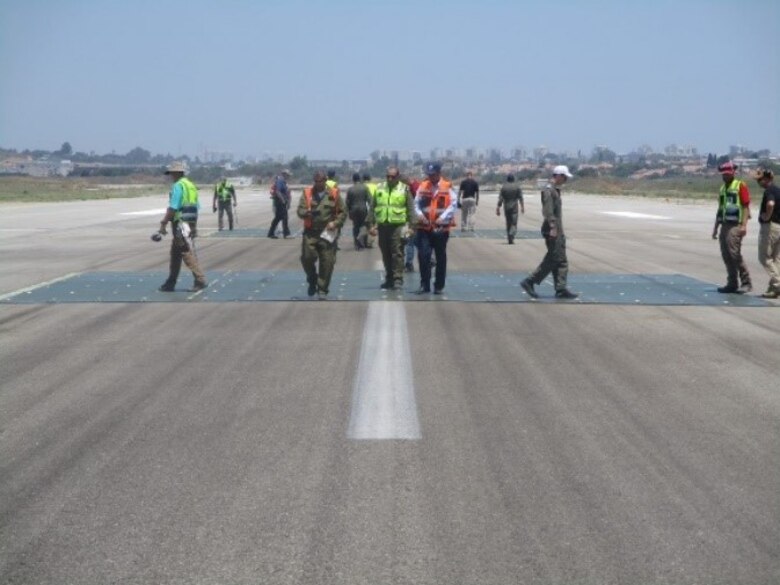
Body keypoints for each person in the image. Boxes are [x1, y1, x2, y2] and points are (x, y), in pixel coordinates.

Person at [520, 165, 578, 299]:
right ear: (557, 176)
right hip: (552, 229)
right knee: (553, 258)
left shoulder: (555, 190)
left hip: (558, 228)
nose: (565, 180)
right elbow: (547, 211)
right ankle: (530, 281)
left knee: (562, 260)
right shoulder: (548, 191)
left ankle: (561, 288)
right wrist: (552, 227)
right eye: (564, 177)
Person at [156, 161, 207, 292]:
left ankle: (200, 280)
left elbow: (173, 207)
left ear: (176, 173)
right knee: (175, 253)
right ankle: (170, 282)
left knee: (185, 251)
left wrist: (163, 223)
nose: (171, 175)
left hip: (179, 223)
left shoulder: (178, 186)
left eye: (172, 173)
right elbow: (196, 207)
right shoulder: (190, 185)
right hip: (189, 222)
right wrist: (194, 227)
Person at [296, 171, 346, 299]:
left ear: (325, 180)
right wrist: (306, 213)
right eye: (316, 181)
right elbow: (300, 210)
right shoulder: (307, 193)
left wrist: (335, 223)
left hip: (327, 232)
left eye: (320, 181)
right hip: (311, 232)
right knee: (307, 258)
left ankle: (322, 289)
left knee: (327, 261)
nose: (318, 184)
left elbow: (342, 212)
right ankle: (312, 279)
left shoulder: (334, 193)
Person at [368, 166, 416, 290]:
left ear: (397, 177)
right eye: (387, 176)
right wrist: (370, 225)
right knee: (386, 253)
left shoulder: (404, 189)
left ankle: (398, 278)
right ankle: (389, 278)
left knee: (397, 252)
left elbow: (411, 209)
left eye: (392, 177)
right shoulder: (380, 188)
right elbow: (372, 208)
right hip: (383, 226)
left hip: (398, 226)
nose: (389, 179)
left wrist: (412, 227)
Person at [414, 162, 458, 294]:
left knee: (440, 257)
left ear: (439, 173)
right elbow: (416, 203)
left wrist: (443, 217)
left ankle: (439, 285)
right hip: (424, 227)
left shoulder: (447, 187)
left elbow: (453, 205)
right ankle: (424, 284)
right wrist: (420, 215)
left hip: (440, 229)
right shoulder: (423, 186)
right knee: (423, 255)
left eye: (433, 175)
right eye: (429, 175)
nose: (431, 177)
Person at [711, 161, 752, 293]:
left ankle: (746, 282)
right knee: (726, 254)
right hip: (725, 224)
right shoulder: (723, 188)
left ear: (733, 173)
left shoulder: (740, 185)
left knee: (734, 254)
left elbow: (746, 206)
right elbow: (720, 209)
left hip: (735, 225)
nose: (725, 176)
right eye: (723, 174)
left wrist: (744, 225)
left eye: (727, 174)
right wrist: (716, 228)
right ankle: (732, 283)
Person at [754, 168, 780, 298]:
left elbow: (770, 204)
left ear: (767, 179)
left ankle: (778, 283)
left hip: (770, 227)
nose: (759, 182)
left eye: (760, 179)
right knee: (776, 260)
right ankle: (774, 289)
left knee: (764, 257)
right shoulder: (778, 190)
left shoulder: (769, 191)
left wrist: (766, 216)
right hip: (779, 227)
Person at [496, 174, 524, 244]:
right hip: (514, 207)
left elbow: (501, 198)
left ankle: (509, 239)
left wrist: (498, 207)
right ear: (513, 179)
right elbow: (520, 197)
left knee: (508, 223)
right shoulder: (517, 187)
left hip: (506, 207)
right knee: (514, 223)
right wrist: (522, 207)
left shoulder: (504, 187)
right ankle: (511, 234)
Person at [346, 172, 371, 249]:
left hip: (354, 210)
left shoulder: (350, 189)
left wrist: (349, 211)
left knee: (356, 226)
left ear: (353, 180)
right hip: (363, 209)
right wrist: (371, 211)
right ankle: (362, 239)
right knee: (364, 225)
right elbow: (370, 199)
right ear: (359, 179)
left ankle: (357, 243)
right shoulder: (365, 188)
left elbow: (347, 202)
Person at [401, 175, 421, 272]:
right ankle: (430, 258)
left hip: (412, 220)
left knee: (409, 242)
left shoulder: (409, 190)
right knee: (416, 241)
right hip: (418, 218)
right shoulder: (418, 185)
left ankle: (409, 263)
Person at [268, 170, 292, 239]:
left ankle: (271, 233)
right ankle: (286, 234)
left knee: (277, 218)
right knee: (285, 217)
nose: (289, 176)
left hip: (281, 202)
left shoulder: (284, 182)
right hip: (280, 202)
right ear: (284, 174)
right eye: (288, 175)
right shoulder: (280, 181)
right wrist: (283, 200)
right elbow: (277, 191)